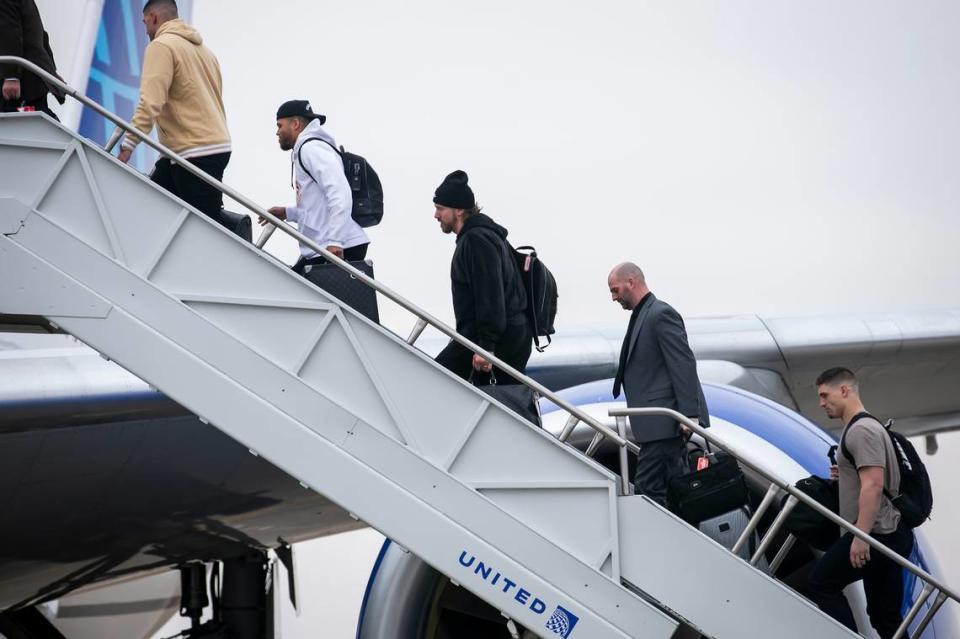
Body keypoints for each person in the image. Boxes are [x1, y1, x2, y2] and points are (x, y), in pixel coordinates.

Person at [807, 367, 914, 638]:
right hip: (891, 532)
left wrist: (860, 536)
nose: (821, 403)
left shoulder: (860, 431)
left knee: (821, 583)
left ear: (844, 390)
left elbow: (874, 484)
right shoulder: (870, 425)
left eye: (824, 395)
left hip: (877, 532)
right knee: (884, 617)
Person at [118, 0, 231, 224]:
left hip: (195, 151)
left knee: (203, 231)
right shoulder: (206, 52)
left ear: (154, 18)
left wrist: (128, 145)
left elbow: (151, 101)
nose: (145, 31)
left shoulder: (161, 46)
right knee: (151, 210)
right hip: (200, 148)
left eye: (144, 24)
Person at [608, 262, 709, 506]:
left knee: (646, 488)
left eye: (615, 290)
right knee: (674, 488)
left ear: (631, 282)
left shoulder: (660, 313)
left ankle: (655, 540)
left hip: (664, 422)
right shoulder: (643, 315)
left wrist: (689, 415)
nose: (614, 298)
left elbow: (682, 364)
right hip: (657, 424)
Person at [433, 170, 530, 384]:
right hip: (497, 337)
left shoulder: (476, 240)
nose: (436, 215)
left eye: (440, 209)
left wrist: (486, 348)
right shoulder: (481, 235)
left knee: (434, 380)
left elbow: (490, 295)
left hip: (495, 341)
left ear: (458, 210)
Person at [261, 100, 369, 273]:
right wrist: (287, 212)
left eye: (280, 125)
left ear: (295, 124)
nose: (277, 132)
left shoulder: (311, 149)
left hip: (337, 247)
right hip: (325, 246)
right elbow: (316, 209)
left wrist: (335, 241)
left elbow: (340, 193)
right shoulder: (306, 149)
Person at [0, 0, 65, 118]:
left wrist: (11, 76)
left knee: (20, 123)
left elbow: (9, 33)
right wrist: (51, 72)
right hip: (33, 76)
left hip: (22, 80)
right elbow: (40, 35)